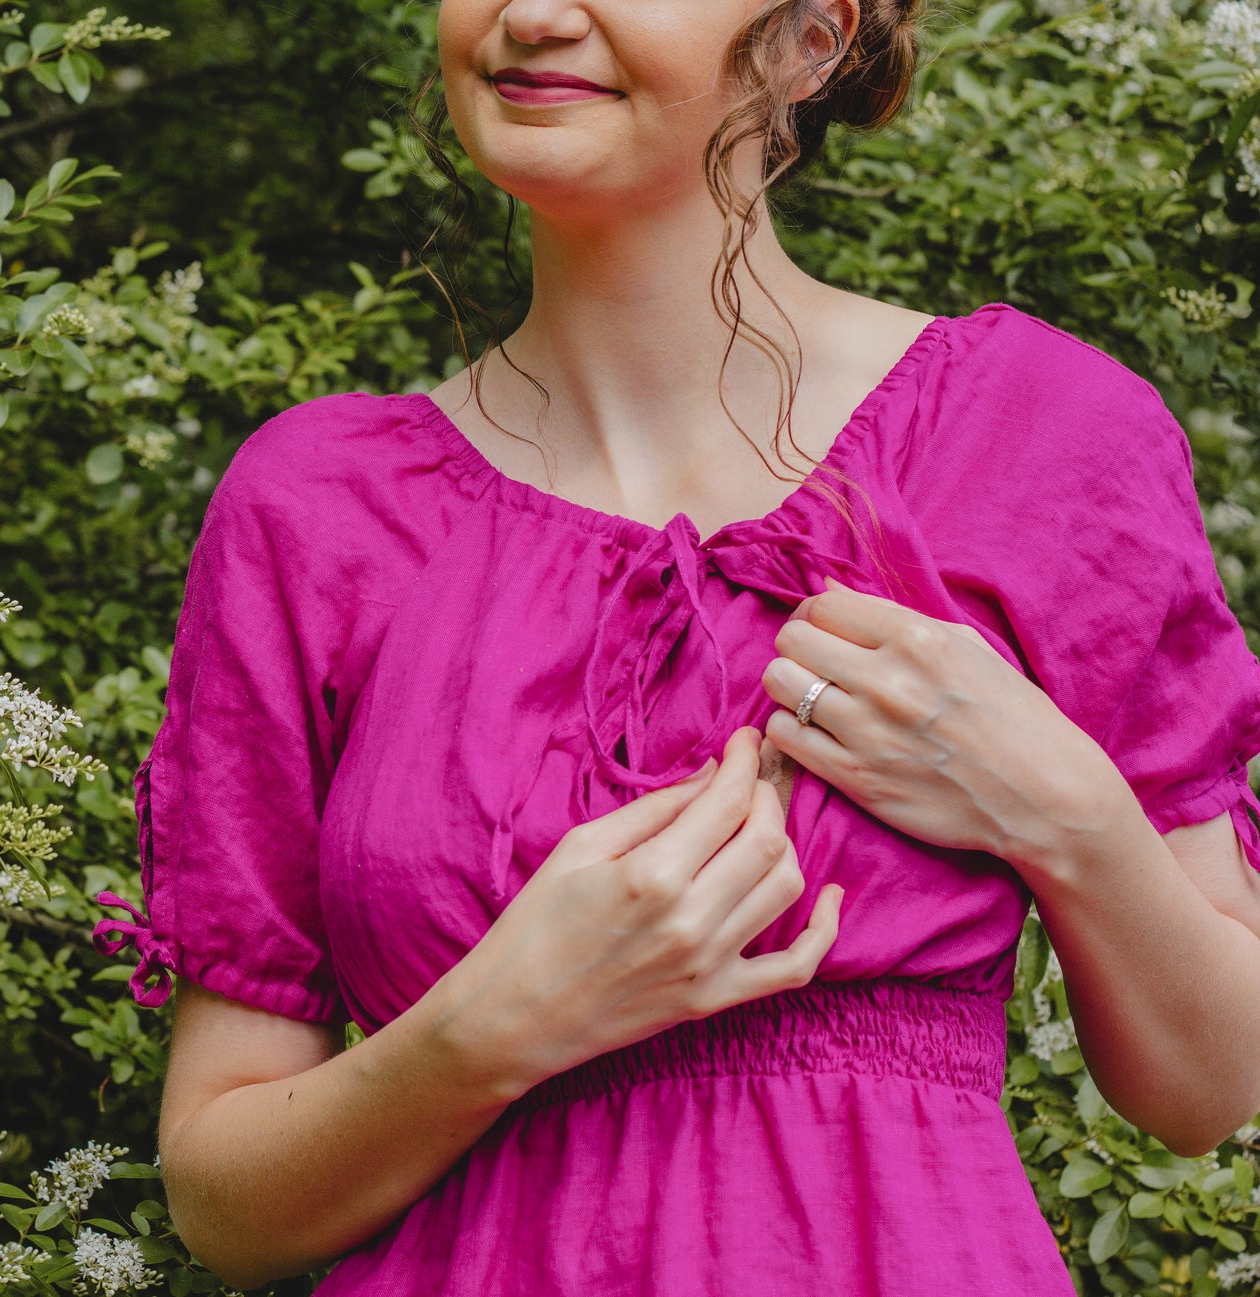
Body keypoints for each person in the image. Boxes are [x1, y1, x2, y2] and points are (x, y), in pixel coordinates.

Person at [89, 0, 1260, 1290]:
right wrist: (495, 1025)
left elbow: (1206, 1091)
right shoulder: (316, 507)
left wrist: (1065, 813)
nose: (531, 16)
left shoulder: (1044, 433)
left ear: (814, 38)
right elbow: (225, 1207)